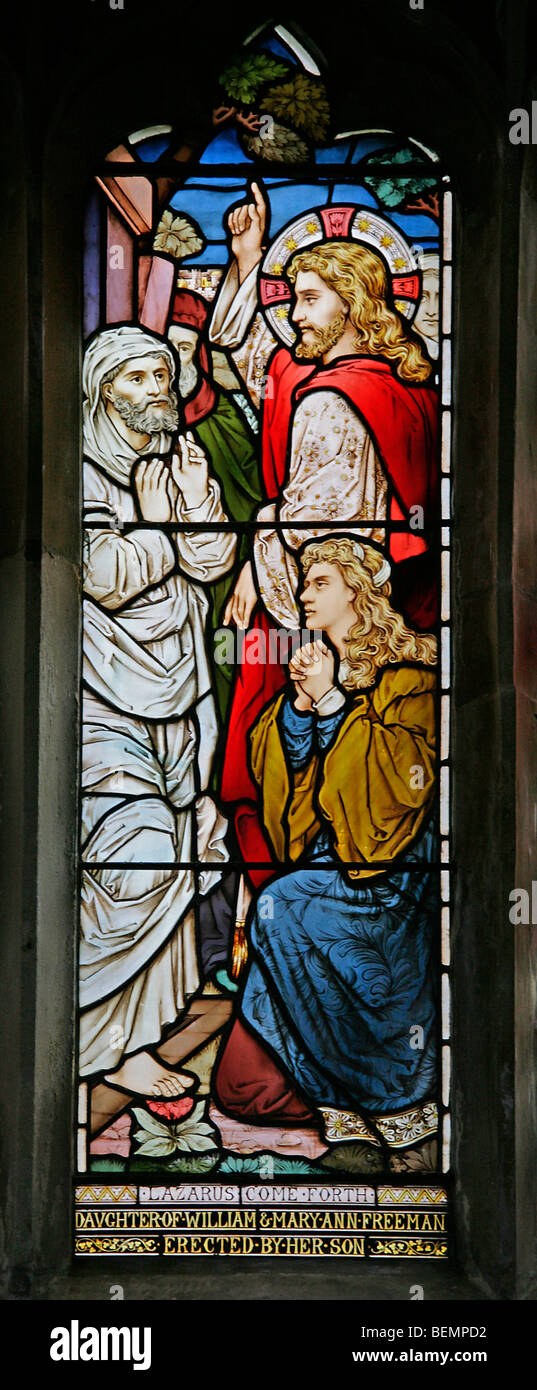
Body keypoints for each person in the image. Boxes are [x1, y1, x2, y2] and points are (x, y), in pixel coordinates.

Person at [209, 184, 438, 879]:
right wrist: (247, 259)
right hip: (345, 599)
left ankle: (299, 895)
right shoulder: (353, 381)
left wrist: (259, 553)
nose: (294, 312)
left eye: (308, 299)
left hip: (327, 612)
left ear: (353, 305)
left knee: (293, 761)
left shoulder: (338, 401)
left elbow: (324, 536)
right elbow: (264, 372)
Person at [214, 537, 439, 1167]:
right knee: (241, 1080)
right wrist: (301, 713)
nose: (304, 594)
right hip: (331, 861)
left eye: (318, 583)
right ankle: (345, 1116)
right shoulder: (312, 665)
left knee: (283, 905)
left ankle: (393, 1109)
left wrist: (335, 705)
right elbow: (289, 796)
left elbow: (400, 788)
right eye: (305, 583)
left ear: (356, 594)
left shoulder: (410, 678)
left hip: (390, 876)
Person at [80, 326, 236, 1098]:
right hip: (100, 694)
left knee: (174, 854)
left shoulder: (175, 459)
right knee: (128, 859)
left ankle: (131, 1043)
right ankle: (78, 1029)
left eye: (164, 377)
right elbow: (104, 574)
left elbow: (210, 560)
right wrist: (156, 521)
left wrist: (186, 503)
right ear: (107, 388)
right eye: (141, 378)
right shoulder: (78, 470)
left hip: (178, 685)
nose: (158, 391)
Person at [167, 290, 262, 727]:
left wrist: (251, 566)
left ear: (198, 353)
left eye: (183, 348)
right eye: (163, 346)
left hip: (223, 583)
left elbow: (253, 496)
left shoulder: (222, 415)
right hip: (155, 587)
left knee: (223, 668)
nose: (173, 359)